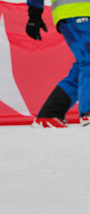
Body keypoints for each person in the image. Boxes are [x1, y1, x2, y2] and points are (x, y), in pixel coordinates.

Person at [26, 0, 90, 128]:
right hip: (74, 10)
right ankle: (87, 112)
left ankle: (50, 113)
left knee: (84, 64)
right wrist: (35, 12)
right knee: (88, 60)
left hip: (80, 11)